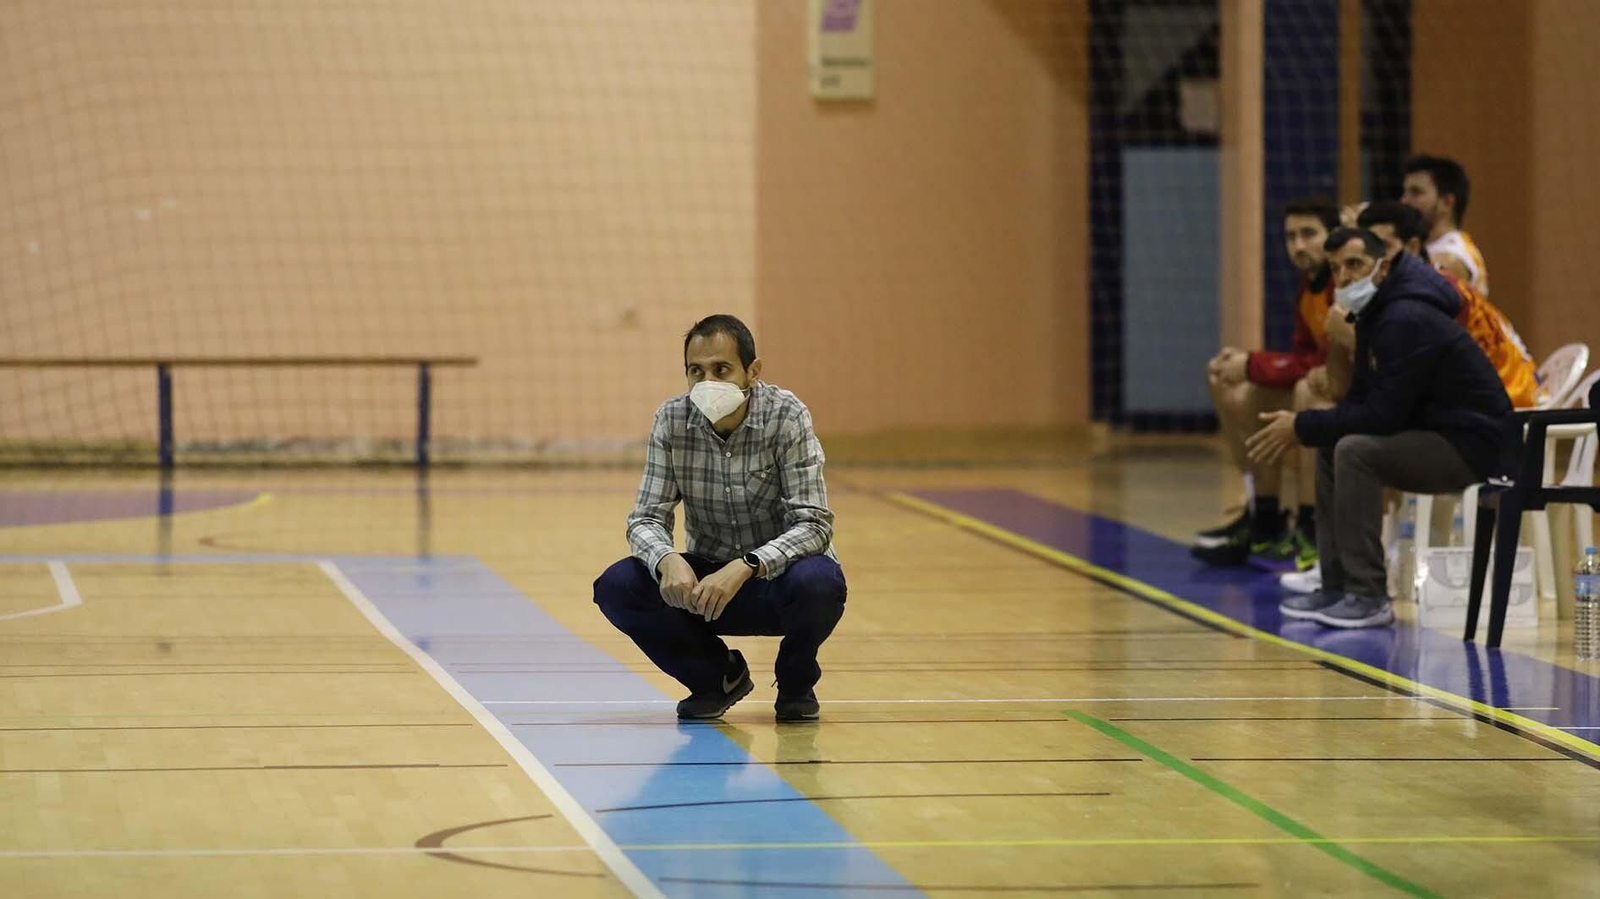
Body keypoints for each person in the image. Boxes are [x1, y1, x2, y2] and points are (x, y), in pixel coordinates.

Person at [1246, 228, 1514, 628]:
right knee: (1333, 442)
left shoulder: (1406, 317)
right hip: (1440, 434)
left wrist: (1300, 424)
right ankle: (1336, 584)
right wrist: (1314, 422)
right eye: (1336, 269)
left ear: (1383, 266)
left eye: (1354, 264)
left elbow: (1382, 416)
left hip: (1478, 447)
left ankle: (1369, 595)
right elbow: (1358, 399)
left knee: (1355, 451)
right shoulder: (1377, 312)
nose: (1345, 278)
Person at [593, 314, 846, 721]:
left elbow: (814, 524)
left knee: (820, 580)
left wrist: (746, 566)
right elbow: (644, 519)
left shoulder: (787, 416)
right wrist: (667, 559)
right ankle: (715, 677)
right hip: (706, 588)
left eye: (721, 369)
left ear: (753, 371)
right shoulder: (672, 420)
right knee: (619, 584)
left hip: (775, 584)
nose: (707, 381)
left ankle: (797, 683)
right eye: (697, 371)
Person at [1196, 198, 1338, 573]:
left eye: (1309, 234)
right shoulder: (1309, 286)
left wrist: (1254, 364)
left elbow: (1321, 364)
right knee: (1229, 384)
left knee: (1307, 390)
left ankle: (1311, 526)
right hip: (1322, 388)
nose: (1299, 245)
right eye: (1291, 236)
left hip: (1354, 397)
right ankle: (1264, 515)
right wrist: (1246, 366)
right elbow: (1303, 354)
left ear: (1333, 237)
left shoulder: (1343, 282)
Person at [1402, 154, 1491, 295]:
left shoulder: (1454, 256)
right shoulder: (1424, 247)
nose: (1404, 201)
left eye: (1416, 192)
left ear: (1446, 202)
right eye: (1405, 193)